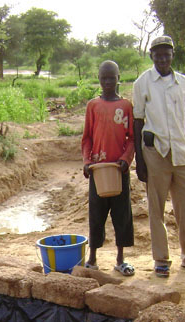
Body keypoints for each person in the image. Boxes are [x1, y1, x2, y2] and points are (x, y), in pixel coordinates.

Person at [133, 35, 185, 278]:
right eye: (158, 54)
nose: (162, 58)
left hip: (180, 151)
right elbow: (138, 121)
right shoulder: (143, 83)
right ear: (152, 56)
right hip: (155, 151)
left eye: (166, 53)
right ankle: (161, 259)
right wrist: (139, 160)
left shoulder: (184, 83)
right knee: (156, 207)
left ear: (172, 55)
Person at [81, 60, 135, 276]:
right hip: (98, 170)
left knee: (122, 214)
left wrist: (126, 159)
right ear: (99, 79)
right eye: (104, 78)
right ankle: (92, 258)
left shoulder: (126, 106)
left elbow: (132, 138)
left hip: (119, 169)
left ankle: (120, 259)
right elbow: (86, 138)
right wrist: (87, 162)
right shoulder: (93, 106)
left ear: (118, 78)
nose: (108, 82)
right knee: (96, 213)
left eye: (112, 78)